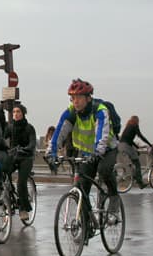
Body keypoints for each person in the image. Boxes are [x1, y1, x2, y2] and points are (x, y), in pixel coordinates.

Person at [47, 79, 118, 237]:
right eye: (72, 98)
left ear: (88, 98)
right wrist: (51, 152)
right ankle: (87, 228)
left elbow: (102, 135)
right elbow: (59, 132)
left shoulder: (100, 110)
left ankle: (114, 198)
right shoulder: (71, 112)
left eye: (79, 97)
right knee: (81, 187)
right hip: (86, 152)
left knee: (104, 170)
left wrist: (97, 152)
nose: (75, 101)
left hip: (106, 149)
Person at [3, 104, 36, 223]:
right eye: (14, 112)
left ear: (23, 113)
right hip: (13, 156)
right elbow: (2, 138)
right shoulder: (10, 127)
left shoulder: (29, 128)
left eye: (18, 112)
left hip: (26, 157)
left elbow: (32, 143)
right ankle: (8, 200)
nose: (16, 114)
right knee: (2, 174)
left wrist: (26, 149)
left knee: (21, 182)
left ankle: (23, 209)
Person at [118, 116, 152, 188]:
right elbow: (141, 136)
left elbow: (129, 139)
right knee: (137, 163)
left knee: (133, 159)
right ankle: (140, 182)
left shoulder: (128, 126)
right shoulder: (134, 125)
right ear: (136, 120)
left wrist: (137, 147)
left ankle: (133, 175)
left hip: (121, 146)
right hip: (126, 146)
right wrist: (149, 144)